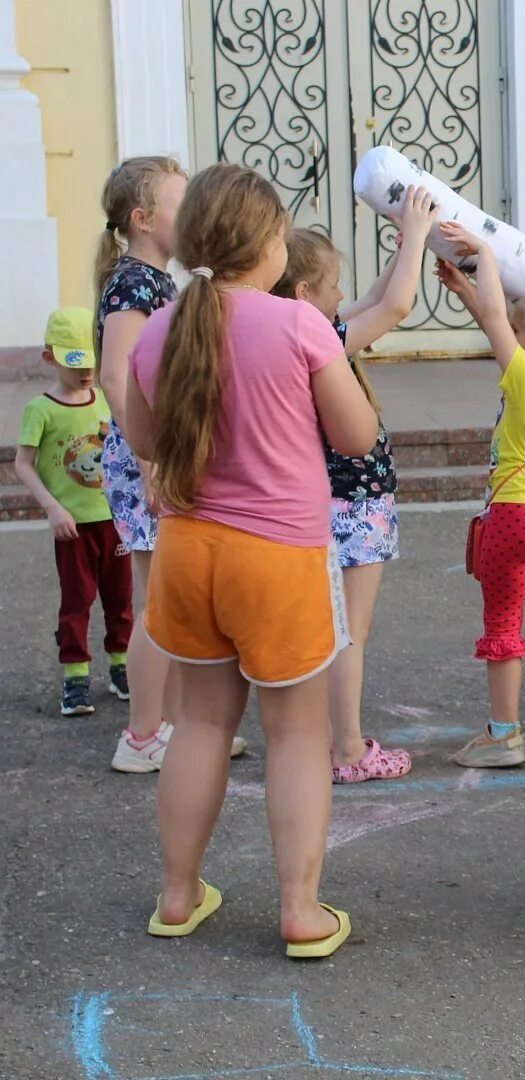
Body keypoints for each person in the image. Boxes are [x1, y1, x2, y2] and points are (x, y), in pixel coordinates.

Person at [123, 163, 378, 957]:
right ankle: (300, 910)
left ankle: (177, 895)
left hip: (189, 552)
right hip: (278, 556)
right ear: (267, 243)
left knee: (199, 722)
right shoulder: (296, 324)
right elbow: (357, 437)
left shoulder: (160, 328)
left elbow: (141, 441)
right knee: (297, 734)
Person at [269, 189, 434, 784]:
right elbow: (394, 308)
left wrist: (404, 249)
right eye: (333, 283)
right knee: (349, 634)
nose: (343, 292)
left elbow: (373, 299)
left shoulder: (296, 331)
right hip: (353, 506)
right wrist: (415, 233)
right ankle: (345, 748)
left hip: (328, 504)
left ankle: (324, 739)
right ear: (306, 293)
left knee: (330, 629)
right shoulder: (317, 340)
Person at [95, 156, 246, 771]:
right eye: (178, 206)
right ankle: (141, 736)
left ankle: (184, 727)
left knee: (174, 599)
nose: (189, 218)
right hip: (144, 456)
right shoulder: (134, 282)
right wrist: (150, 457)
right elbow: (115, 373)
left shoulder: (153, 279)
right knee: (159, 601)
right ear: (142, 218)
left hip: (156, 453)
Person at [435, 221, 525, 771]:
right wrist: (468, 289)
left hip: (511, 516)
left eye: (516, 336)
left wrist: (486, 260)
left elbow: (499, 321)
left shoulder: (524, 378)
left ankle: (504, 734)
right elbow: (500, 321)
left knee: (501, 625)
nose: (502, 345)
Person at [15, 308, 132, 717]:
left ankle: (122, 669)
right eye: (74, 364)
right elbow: (23, 464)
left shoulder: (106, 399)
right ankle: (76, 678)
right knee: (77, 601)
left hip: (115, 521)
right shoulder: (40, 410)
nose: (85, 373)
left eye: (90, 362)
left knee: (122, 601)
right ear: (49, 358)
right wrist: (52, 507)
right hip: (73, 529)